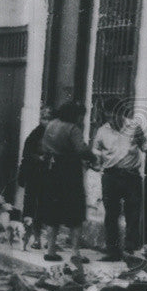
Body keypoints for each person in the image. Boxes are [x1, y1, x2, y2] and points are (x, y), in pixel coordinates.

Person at [92, 98, 147, 261]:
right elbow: (96, 153)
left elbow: (145, 147)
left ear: (121, 114)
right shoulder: (102, 131)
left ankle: (130, 249)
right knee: (111, 215)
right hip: (110, 176)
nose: (112, 120)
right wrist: (96, 164)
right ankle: (113, 251)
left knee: (133, 213)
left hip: (131, 176)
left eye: (114, 116)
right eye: (108, 117)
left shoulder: (134, 127)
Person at [39, 101, 95, 263]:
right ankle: (75, 253)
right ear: (75, 115)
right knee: (75, 212)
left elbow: (44, 146)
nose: (81, 119)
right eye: (80, 115)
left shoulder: (51, 124)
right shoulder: (73, 129)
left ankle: (50, 250)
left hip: (52, 170)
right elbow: (81, 149)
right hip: (70, 172)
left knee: (52, 211)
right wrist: (93, 157)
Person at [17, 104, 52, 249]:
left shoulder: (55, 135)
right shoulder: (34, 135)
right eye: (44, 118)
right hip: (34, 175)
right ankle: (31, 237)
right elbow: (26, 154)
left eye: (49, 118)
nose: (46, 121)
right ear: (40, 118)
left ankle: (45, 240)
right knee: (31, 207)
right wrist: (38, 158)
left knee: (46, 208)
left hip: (49, 176)